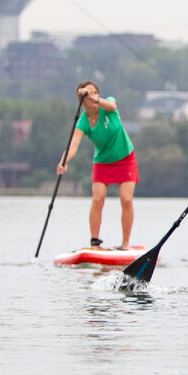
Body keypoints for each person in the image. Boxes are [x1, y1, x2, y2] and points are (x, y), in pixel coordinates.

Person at [57, 81, 138, 249]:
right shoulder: (83, 122)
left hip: (125, 158)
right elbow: (72, 145)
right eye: (88, 94)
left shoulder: (108, 105)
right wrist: (63, 162)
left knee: (126, 200)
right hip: (102, 162)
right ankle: (94, 242)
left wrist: (95, 98)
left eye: (95, 92)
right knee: (97, 199)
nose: (92, 96)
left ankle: (125, 244)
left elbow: (111, 104)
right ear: (81, 100)